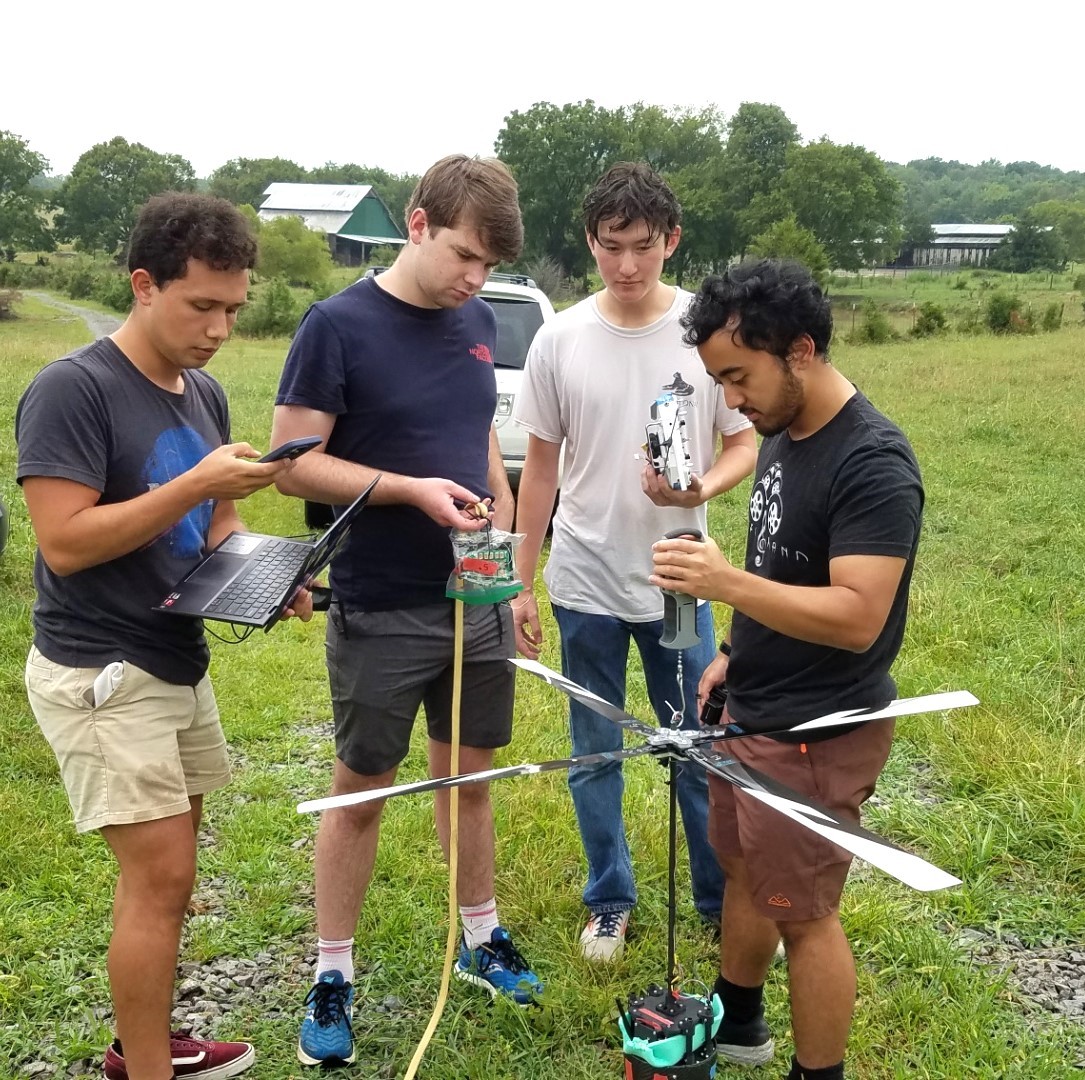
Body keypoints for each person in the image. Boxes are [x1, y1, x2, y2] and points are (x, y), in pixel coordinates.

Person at [16, 192, 312, 1080]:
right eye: (202, 306)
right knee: (160, 879)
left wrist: (272, 577)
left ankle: (146, 1042)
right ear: (143, 286)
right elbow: (64, 543)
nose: (220, 327)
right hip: (100, 668)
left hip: (175, 658)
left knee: (172, 877)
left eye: (234, 307)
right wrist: (194, 489)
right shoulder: (73, 389)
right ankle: (146, 1070)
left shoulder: (207, 392)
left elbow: (215, 534)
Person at [270, 154, 543, 1068]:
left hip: (475, 600)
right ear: (418, 224)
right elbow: (292, 464)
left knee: (469, 779)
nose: (475, 280)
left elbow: (476, 440)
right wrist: (408, 491)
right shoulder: (336, 325)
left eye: (490, 268)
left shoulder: (472, 320)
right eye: (464, 255)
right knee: (362, 793)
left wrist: (499, 533)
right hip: (382, 602)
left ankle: (480, 937)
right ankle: (333, 975)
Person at [650, 259, 924, 1080]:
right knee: (744, 870)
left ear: (799, 349)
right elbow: (784, 564)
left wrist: (719, 581)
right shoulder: (783, 433)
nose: (730, 399)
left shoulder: (871, 461)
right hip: (753, 710)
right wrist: (731, 652)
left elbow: (856, 615)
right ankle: (739, 1021)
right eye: (717, 380)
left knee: (803, 914)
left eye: (738, 376)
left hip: (816, 733)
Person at [511, 162, 757, 961]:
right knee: (594, 752)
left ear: (671, 242)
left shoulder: (703, 333)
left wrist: (697, 485)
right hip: (583, 579)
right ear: (590, 242)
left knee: (698, 746)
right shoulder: (559, 339)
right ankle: (609, 901)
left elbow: (743, 441)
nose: (625, 265)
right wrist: (519, 578)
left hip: (681, 575)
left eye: (642, 247)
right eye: (610, 247)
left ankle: (718, 902)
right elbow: (539, 469)